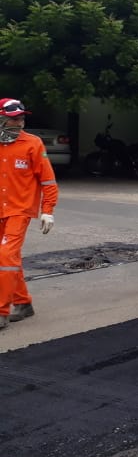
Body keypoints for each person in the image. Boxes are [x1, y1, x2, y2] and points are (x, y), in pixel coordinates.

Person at [0, 98, 58, 330]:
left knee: (4, 256)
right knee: (10, 260)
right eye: (15, 119)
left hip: (20, 211)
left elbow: (48, 181)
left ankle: (2, 310)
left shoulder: (33, 144)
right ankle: (23, 303)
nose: (20, 123)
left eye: (22, 118)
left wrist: (48, 211)